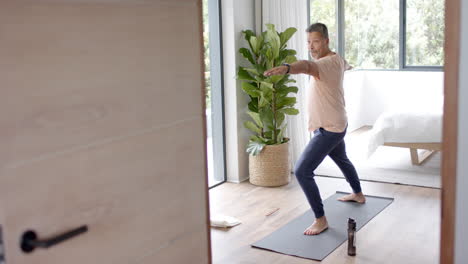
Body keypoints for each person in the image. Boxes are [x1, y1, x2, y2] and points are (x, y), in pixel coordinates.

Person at [264, 23, 366, 236]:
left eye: (316, 41)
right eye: (308, 42)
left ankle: (320, 219)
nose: (311, 46)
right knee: (342, 159)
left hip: (329, 129)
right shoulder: (336, 59)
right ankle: (358, 194)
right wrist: (347, 66)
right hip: (338, 123)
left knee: (302, 171)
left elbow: (307, 67)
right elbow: (344, 64)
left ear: (327, 41)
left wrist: (287, 68)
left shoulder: (326, 63)